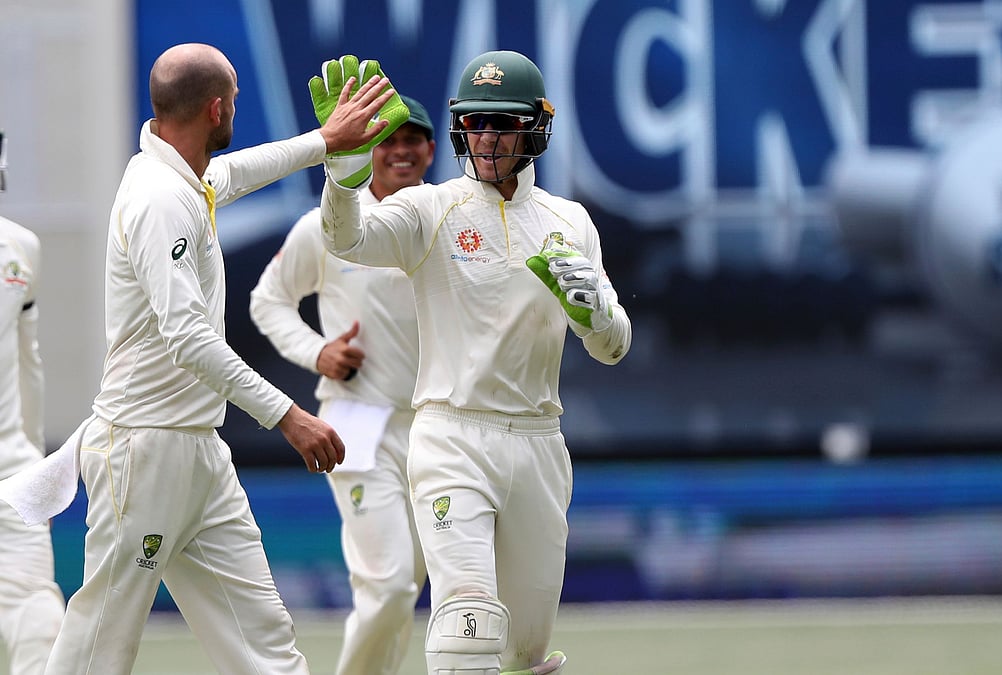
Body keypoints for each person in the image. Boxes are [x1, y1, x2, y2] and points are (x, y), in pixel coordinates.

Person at [39, 42, 402, 674]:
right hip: (142, 451)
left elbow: (240, 172)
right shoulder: (159, 199)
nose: (235, 110)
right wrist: (287, 414)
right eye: (232, 100)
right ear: (215, 109)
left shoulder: (183, 176)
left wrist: (326, 140)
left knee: (264, 640)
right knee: (99, 645)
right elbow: (189, 337)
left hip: (199, 454)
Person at [311, 50, 633, 675]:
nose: (486, 137)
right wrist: (343, 173)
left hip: (539, 443)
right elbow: (345, 238)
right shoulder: (432, 209)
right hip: (452, 435)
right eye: (476, 122)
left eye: (502, 124)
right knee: (466, 624)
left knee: (523, 652)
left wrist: (594, 310)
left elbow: (612, 347)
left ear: (535, 128)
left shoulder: (569, 222)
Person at [248, 93, 436, 674]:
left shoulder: (447, 220)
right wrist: (318, 351)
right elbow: (268, 301)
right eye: (389, 140)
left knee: (406, 588)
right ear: (369, 149)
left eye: (413, 140)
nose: (401, 151)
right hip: (359, 419)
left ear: (431, 150)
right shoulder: (328, 225)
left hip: (437, 427)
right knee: (387, 587)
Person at [0, 130, 67, 674]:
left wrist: (34, 462)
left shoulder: (20, 248)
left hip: (11, 473)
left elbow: (30, 364)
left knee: (39, 616)